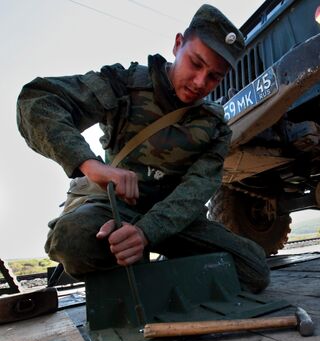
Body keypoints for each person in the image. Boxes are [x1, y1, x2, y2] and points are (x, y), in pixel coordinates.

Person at [16, 4, 270, 293]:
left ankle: (151, 272)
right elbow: (37, 101)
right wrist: (89, 164)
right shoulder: (124, 85)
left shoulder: (214, 126)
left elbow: (197, 189)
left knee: (253, 270)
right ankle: (143, 275)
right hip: (115, 211)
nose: (201, 82)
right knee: (72, 241)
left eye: (214, 77)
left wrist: (147, 232)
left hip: (173, 220)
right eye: (196, 64)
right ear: (178, 45)